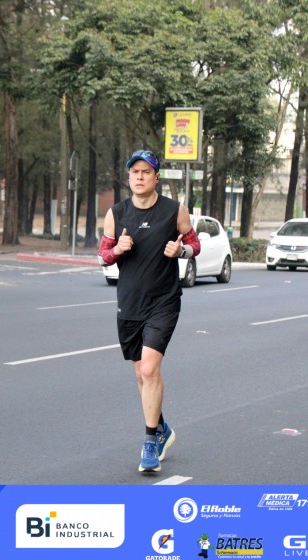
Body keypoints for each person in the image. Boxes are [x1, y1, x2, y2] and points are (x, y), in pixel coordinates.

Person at [97, 149, 201, 472]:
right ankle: (162, 428)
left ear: (157, 177)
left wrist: (181, 250)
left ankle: (149, 443)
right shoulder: (116, 213)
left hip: (164, 302)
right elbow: (102, 255)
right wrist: (117, 249)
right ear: (128, 177)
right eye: (135, 172)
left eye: (146, 172)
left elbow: (195, 244)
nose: (140, 177)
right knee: (141, 374)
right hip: (129, 303)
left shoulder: (174, 210)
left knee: (149, 369)